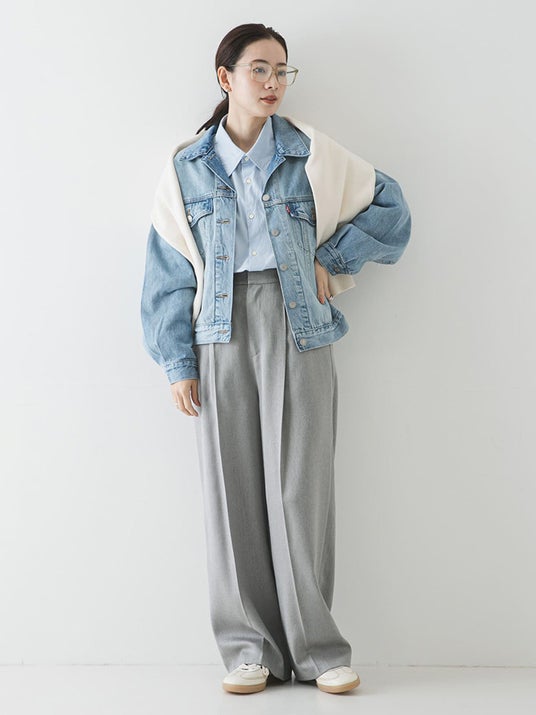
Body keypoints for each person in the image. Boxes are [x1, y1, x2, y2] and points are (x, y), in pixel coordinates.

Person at [140, 22, 411, 695]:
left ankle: (318, 650)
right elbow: (167, 271)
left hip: (299, 325)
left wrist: (332, 259)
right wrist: (177, 361)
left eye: (282, 71)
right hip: (217, 329)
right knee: (230, 490)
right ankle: (248, 649)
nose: (272, 83)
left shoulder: (309, 152)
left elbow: (392, 208)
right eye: (258, 69)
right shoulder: (186, 167)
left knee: (300, 488)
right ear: (225, 77)